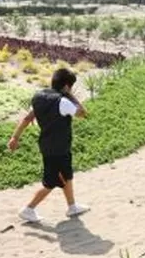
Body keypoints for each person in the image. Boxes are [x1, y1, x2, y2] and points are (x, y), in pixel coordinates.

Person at [9, 68, 90, 224]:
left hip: (48, 145)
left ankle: (72, 206)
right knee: (51, 182)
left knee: (66, 176)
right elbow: (83, 113)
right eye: (70, 87)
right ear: (67, 86)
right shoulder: (63, 102)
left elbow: (27, 119)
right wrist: (70, 95)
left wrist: (15, 137)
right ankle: (28, 209)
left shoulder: (41, 97)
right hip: (58, 148)